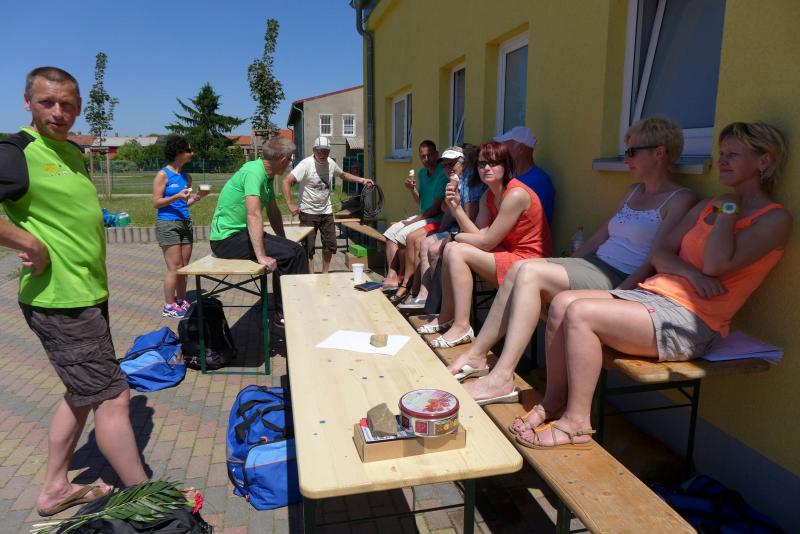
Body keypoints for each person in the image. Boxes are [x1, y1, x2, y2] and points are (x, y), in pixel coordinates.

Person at [513, 121, 791, 449]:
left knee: (580, 314)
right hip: (653, 297)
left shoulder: (774, 219)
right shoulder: (708, 205)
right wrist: (692, 274)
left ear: (763, 161)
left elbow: (717, 264)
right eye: (721, 153)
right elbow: (660, 253)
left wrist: (730, 206)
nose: (722, 161)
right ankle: (553, 400)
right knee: (561, 304)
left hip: (694, 321)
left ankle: (577, 423)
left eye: (733, 154)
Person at [449, 116, 695, 404]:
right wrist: (564, 263)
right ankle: (478, 354)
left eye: (631, 151)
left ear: (659, 152)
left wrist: (622, 294)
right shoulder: (633, 192)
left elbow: (656, 257)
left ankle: (502, 376)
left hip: (619, 277)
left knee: (528, 273)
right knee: (522, 268)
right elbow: (598, 238)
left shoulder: (680, 198)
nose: (626, 159)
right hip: (594, 265)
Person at [0, 67, 147, 516]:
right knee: (113, 397)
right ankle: (148, 497)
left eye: (67, 104)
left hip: (87, 292)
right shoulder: (15, 152)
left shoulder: (72, 151)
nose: (58, 112)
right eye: (47, 102)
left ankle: (54, 489)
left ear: (78, 106)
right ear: (28, 102)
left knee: (83, 393)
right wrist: (28, 242)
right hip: (60, 300)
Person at [418, 141, 552, 348]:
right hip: (506, 253)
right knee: (452, 248)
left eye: (493, 163)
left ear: (506, 165)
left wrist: (456, 237)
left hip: (528, 262)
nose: (487, 168)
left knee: (456, 250)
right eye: (482, 164)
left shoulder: (515, 194)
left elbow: (486, 242)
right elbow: (478, 235)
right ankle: (446, 316)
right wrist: (456, 208)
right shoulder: (487, 197)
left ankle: (462, 326)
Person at [210, 137, 308, 325]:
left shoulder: (267, 175)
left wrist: (283, 240)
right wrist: (261, 256)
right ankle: (282, 314)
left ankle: (299, 302)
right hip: (225, 240)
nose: (290, 163)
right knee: (288, 255)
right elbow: (253, 214)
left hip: (242, 234)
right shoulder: (253, 172)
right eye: (290, 159)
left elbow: (272, 210)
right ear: (283, 160)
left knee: (296, 250)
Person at [397, 144, 486, 310]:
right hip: (454, 227)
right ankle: (424, 295)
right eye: (444, 165)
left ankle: (440, 304)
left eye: (451, 164)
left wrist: (447, 227)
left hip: (469, 232)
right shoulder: (455, 180)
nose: (447, 168)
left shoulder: (470, 182)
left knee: (432, 248)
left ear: (464, 163)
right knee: (425, 242)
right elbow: (447, 212)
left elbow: (469, 218)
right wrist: (440, 232)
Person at [282, 136, 373, 273]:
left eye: (326, 151)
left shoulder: (331, 163)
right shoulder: (306, 164)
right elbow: (286, 181)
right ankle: (311, 276)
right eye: (320, 150)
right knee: (308, 247)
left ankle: (325, 274)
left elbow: (343, 175)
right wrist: (290, 203)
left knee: (330, 244)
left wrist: (363, 180)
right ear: (314, 150)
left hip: (326, 211)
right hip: (308, 213)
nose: (323, 154)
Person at [381, 140, 448, 301]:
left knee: (404, 234)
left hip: (435, 218)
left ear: (436, 154)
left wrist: (413, 221)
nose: (427, 159)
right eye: (423, 156)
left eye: (430, 155)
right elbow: (421, 201)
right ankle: (392, 275)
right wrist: (412, 189)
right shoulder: (422, 174)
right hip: (424, 215)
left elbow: (436, 208)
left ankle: (405, 279)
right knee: (390, 233)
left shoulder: (442, 173)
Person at [152, 134, 209, 318]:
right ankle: (169, 305)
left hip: (185, 222)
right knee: (174, 267)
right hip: (168, 223)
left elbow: (184, 203)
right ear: (178, 152)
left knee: (184, 266)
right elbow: (156, 202)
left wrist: (198, 197)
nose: (192, 153)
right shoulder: (163, 175)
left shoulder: (186, 177)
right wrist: (176, 196)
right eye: (189, 150)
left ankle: (182, 300)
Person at [495, 126, 555, 224]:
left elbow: (537, 222)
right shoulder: (511, 176)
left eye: (506, 146)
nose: (502, 151)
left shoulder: (539, 181)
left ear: (520, 149)